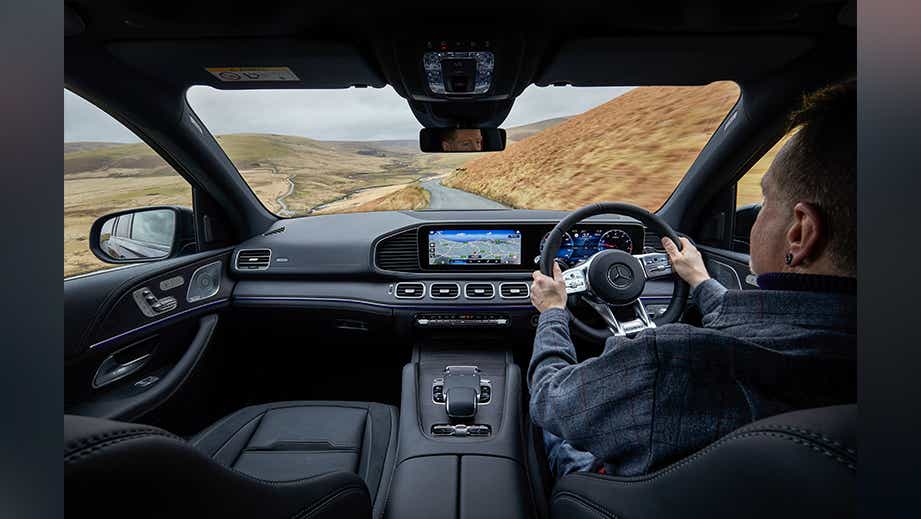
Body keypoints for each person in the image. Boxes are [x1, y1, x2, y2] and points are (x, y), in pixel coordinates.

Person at [528, 78, 857, 478]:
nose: (755, 216)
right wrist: (700, 281)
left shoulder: (671, 364)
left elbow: (551, 396)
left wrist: (553, 313)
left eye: (766, 202)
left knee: (549, 431)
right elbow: (766, 331)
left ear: (800, 233)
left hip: (606, 497)